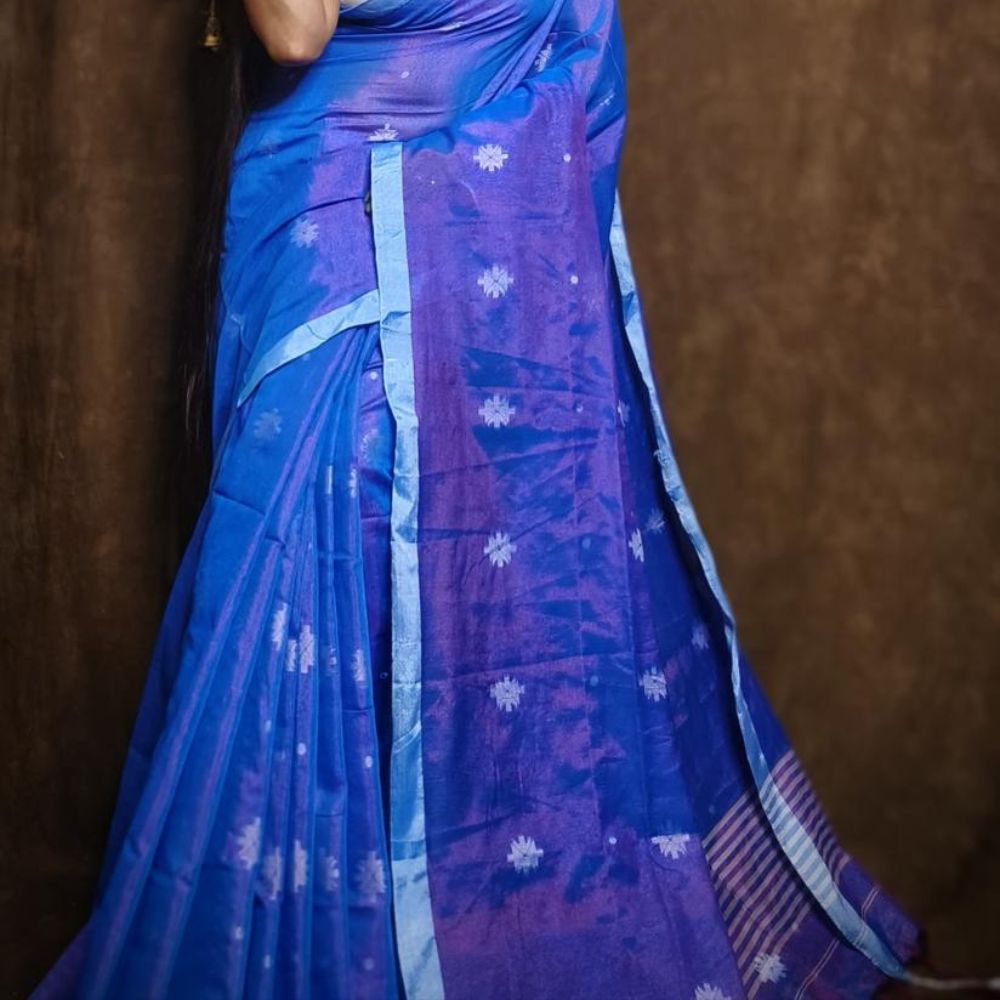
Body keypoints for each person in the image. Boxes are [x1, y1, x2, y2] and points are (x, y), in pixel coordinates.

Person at [29, 1, 1000, 997]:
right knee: (322, 556)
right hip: (342, 216)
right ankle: (328, 947)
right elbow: (295, 32)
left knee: (486, 582)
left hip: (475, 220)